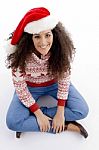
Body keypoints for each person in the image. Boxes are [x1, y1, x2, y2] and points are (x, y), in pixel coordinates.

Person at [6, 7, 89, 138]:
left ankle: (30, 120)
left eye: (47, 35)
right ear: (29, 38)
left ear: (54, 35)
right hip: (30, 88)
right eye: (37, 36)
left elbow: (64, 79)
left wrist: (60, 112)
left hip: (54, 85)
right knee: (12, 122)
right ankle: (66, 126)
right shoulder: (19, 56)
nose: (43, 42)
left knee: (82, 111)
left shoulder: (60, 50)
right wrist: (38, 113)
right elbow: (20, 87)